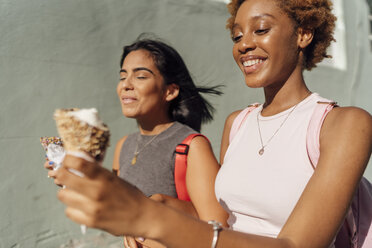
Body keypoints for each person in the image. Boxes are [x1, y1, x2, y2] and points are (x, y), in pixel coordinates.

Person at [53, 0, 372, 247]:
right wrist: (165, 207)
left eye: (260, 29)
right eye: (237, 34)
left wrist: (153, 219)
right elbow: (227, 222)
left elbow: (296, 245)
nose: (243, 44)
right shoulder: (238, 123)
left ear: (303, 34)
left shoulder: (343, 124)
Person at [47, 37, 228, 248]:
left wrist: (160, 204)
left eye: (140, 76)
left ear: (170, 91)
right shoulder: (124, 144)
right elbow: (115, 210)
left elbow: (217, 230)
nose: (126, 85)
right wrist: (75, 177)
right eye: (123, 76)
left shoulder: (192, 146)